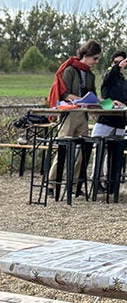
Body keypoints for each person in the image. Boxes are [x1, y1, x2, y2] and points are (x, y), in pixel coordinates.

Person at [47, 40, 102, 197]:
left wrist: (102, 103)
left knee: (84, 149)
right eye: (95, 58)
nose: (96, 62)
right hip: (69, 114)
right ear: (86, 55)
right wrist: (80, 99)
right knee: (63, 148)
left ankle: (76, 184)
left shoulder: (90, 75)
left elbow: (93, 95)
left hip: (83, 114)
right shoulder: (70, 70)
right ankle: (52, 183)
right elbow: (65, 94)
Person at [92, 50, 127, 194]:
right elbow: (105, 98)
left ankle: (110, 181)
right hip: (105, 120)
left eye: (121, 61)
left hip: (119, 122)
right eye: (116, 62)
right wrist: (117, 66)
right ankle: (96, 180)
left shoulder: (123, 81)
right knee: (100, 151)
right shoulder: (108, 75)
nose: (119, 64)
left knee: (114, 152)